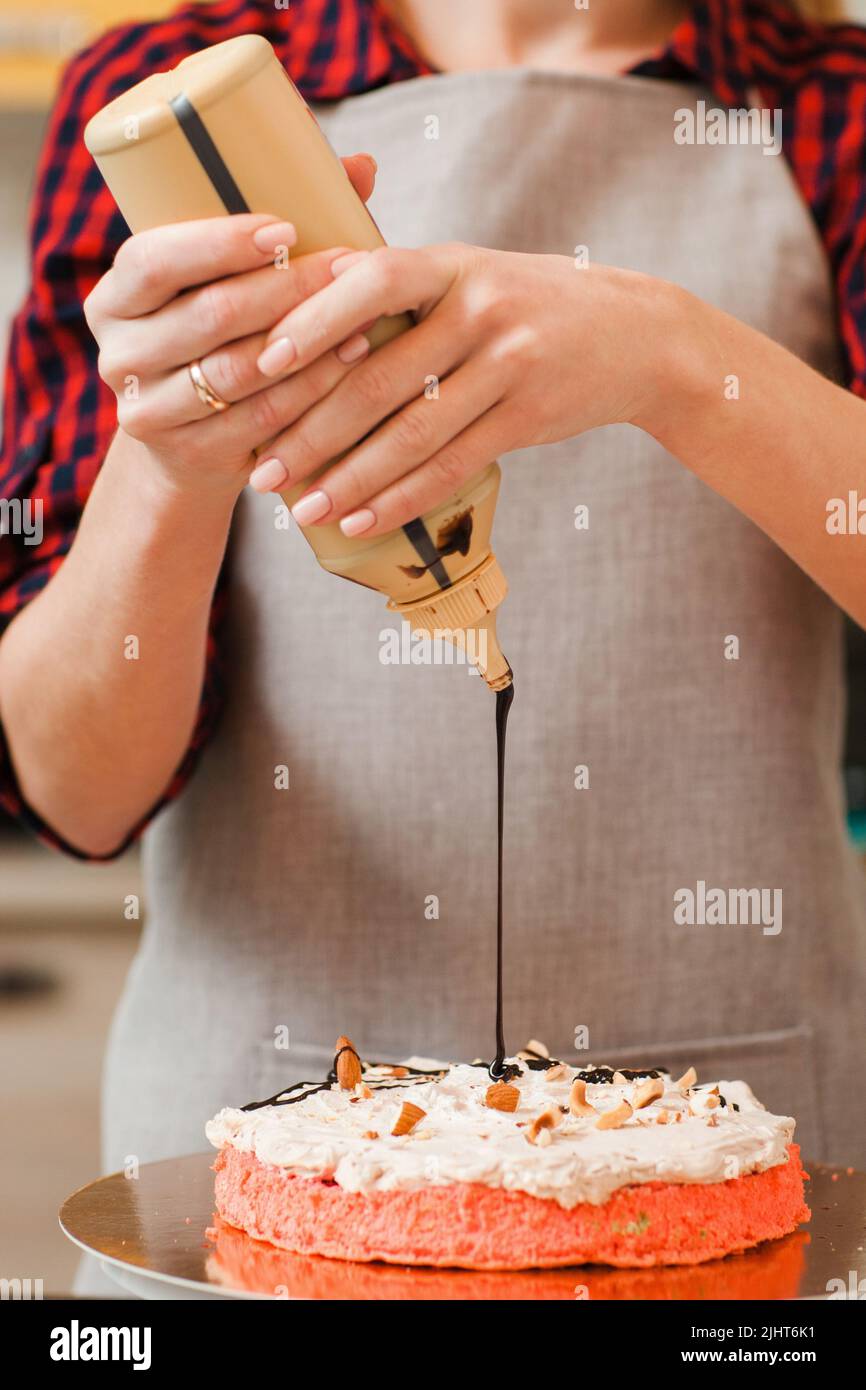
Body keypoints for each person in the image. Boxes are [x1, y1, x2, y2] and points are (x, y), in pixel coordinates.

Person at [1, 0, 865, 1197]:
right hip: (264, 1156)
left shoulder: (832, 100)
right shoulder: (164, 99)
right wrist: (167, 461)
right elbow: (74, 791)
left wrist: (676, 362)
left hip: (732, 1149)